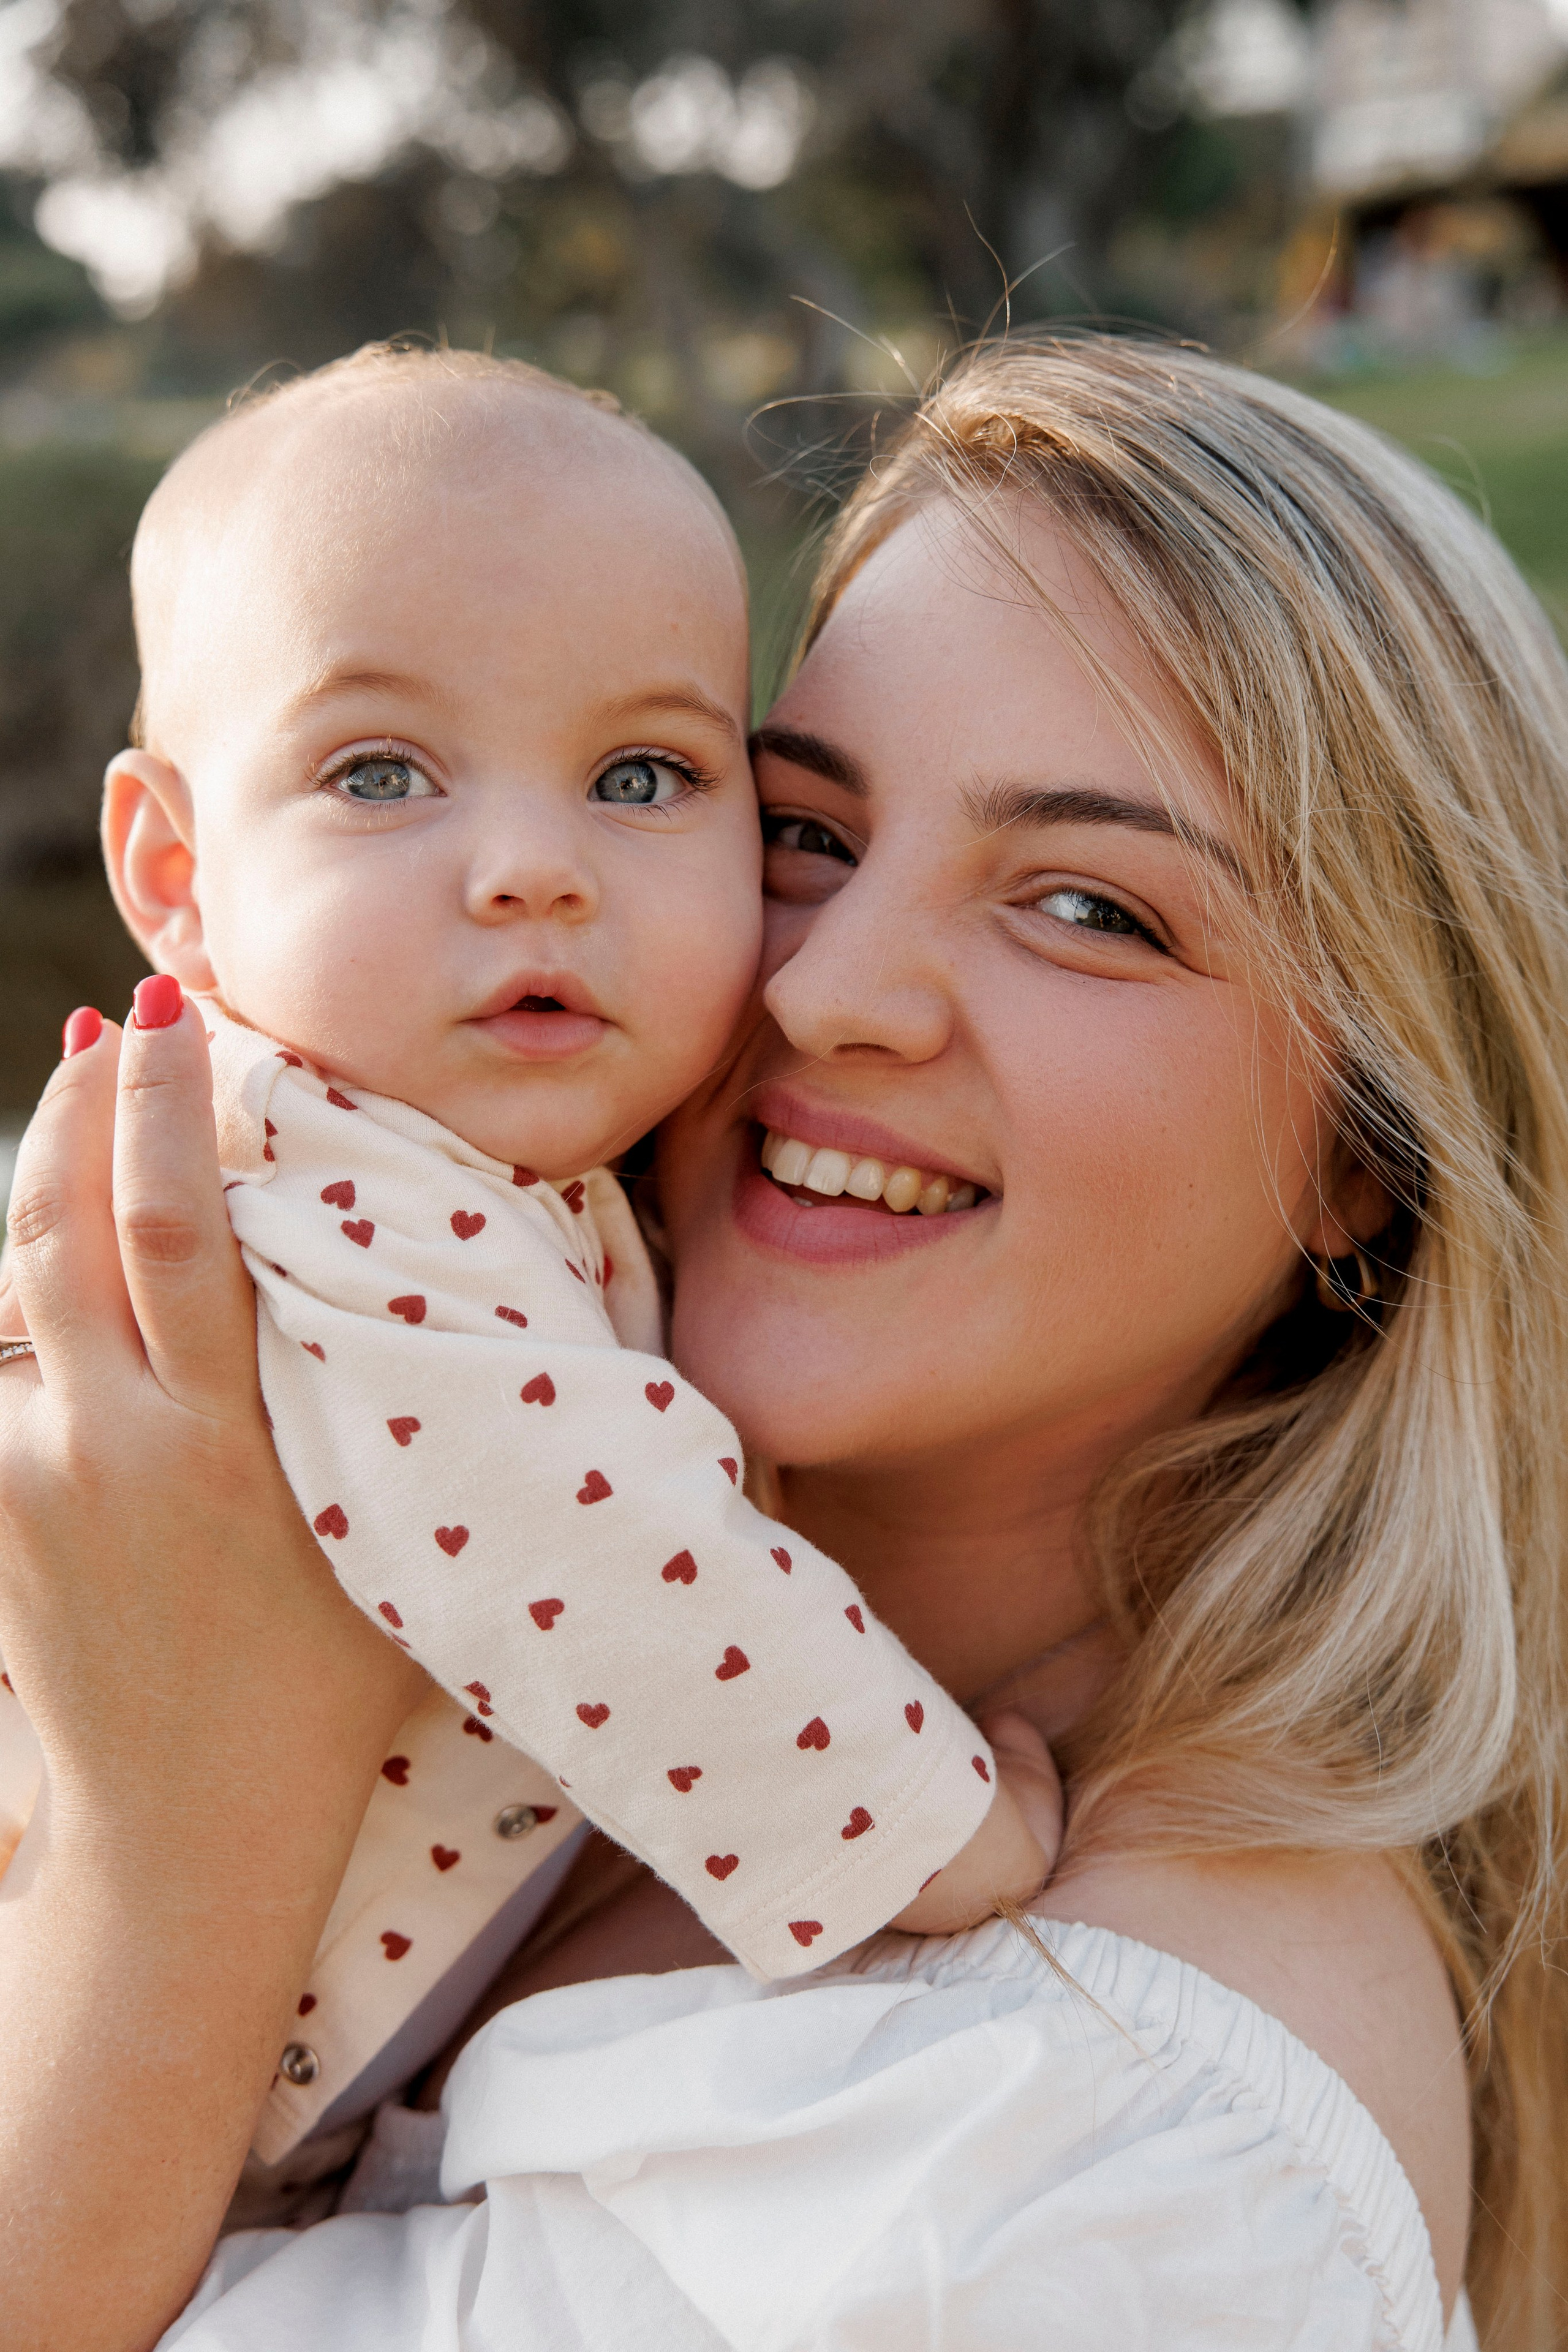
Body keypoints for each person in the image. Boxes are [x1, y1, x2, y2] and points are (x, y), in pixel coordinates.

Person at [4, 331, 1565, 2348]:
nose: (834, 986)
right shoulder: (360, 1386)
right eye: (807, 833)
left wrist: (168, 1851)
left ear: (1372, 1162)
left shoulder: (1091, 2166)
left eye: (1090, 906)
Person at [0, 345, 1054, 2178]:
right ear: (173, 874)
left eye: (643, 775)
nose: (530, 870)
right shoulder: (314, 1191)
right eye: (383, 770)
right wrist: (928, 1833)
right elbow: (589, 1540)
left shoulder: (483, 1164)